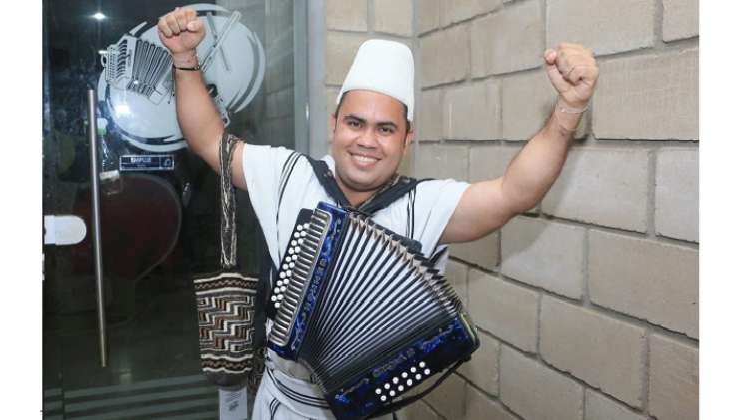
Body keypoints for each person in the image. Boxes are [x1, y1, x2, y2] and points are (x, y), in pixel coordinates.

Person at [158, 6, 599, 420]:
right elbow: (209, 141)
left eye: (385, 129)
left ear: (406, 140)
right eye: (355, 123)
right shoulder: (287, 174)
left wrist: (568, 110)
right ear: (334, 126)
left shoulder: (426, 205)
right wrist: (184, 58)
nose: (367, 140)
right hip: (281, 405)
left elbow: (513, 195)